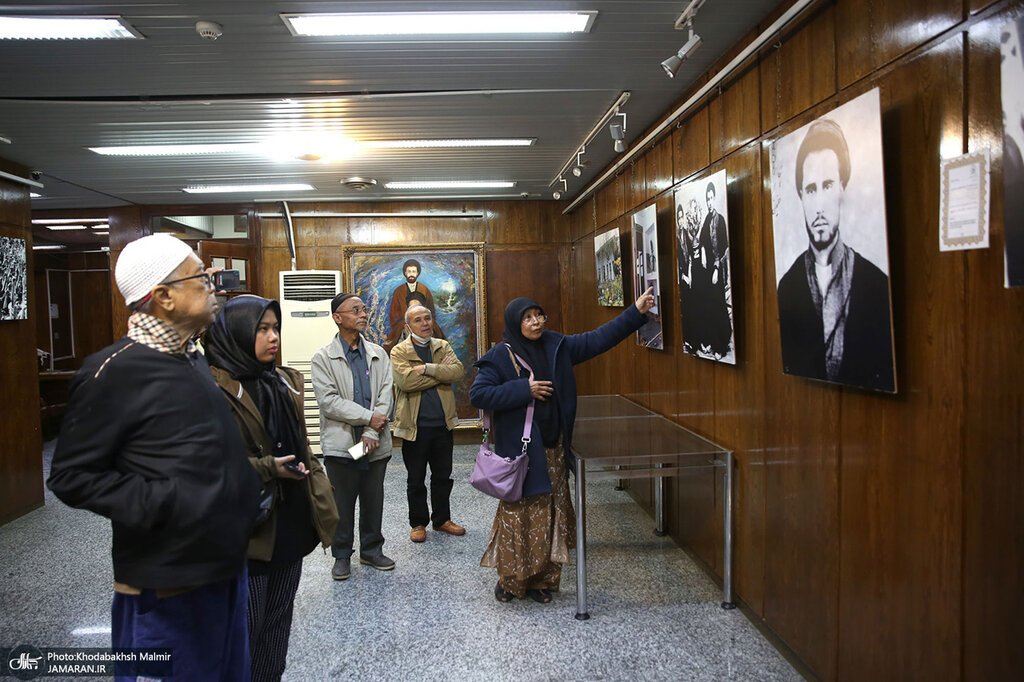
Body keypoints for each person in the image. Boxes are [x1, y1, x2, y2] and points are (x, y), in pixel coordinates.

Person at [47, 233, 261, 681]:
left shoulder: (192, 360)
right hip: (165, 589)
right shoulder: (113, 370)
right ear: (163, 297)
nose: (212, 285)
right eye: (199, 277)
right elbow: (71, 476)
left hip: (222, 572)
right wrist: (168, 501)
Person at [470, 286, 656, 604]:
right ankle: (511, 582)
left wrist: (635, 312)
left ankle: (543, 580)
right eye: (528, 318)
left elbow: (600, 338)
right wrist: (522, 389)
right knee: (520, 515)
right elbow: (479, 395)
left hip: (554, 450)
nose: (536, 322)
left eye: (538, 315)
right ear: (516, 323)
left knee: (551, 514)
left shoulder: (558, 345)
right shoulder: (500, 356)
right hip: (520, 455)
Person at [204, 295, 339, 682]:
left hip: (291, 521)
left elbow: (302, 444)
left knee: (278, 621)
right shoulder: (213, 390)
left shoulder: (283, 381)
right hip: (247, 529)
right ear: (237, 335)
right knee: (245, 627)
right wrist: (268, 468)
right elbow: (208, 467)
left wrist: (320, 491)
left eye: (275, 328)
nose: (273, 337)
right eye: (262, 329)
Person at [777, 118, 896, 392]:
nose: (819, 206)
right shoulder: (787, 287)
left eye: (828, 185)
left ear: (842, 188)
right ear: (801, 196)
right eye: (810, 189)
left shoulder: (877, 286)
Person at [311, 293, 396, 580]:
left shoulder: (378, 353)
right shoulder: (323, 357)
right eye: (355, 310)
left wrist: (373, 429)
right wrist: (367, 417)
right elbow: (329, 402)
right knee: (342, 502)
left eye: (364, 309)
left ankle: (371, 550)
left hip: (375, 442)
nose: (363, 314)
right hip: (342, 444)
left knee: (373, 499)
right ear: (338, 317)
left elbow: (386, 393)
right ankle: (342, 555)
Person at [390, 303, 467, 543]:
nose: (425, 324)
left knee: (443, 476)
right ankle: (418, 523)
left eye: (428, 318)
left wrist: (425, 369)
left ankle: (442, 520)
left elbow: (457, 372)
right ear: (407, 326)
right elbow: (406, 384)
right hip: (415, 427)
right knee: (416, 479)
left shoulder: (442, 346)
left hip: (442, 425)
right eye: (418, 320)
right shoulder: (399, 351)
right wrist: (438, 375)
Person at [691, 181, 732, 357]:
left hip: (718, 270)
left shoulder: (720, 219)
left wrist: (716, 268)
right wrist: (700, 251)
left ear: (714, 198)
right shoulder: (706, 219)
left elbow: (723, 246)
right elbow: (702, 242)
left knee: (719, 307)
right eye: (706, 199)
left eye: (711, 199)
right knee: (711, 308)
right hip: (708, 273)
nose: (709, 203)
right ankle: (713, 343)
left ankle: (721, 347)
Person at [385, 259, 445, 351]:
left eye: (414, 271)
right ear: (405, 273)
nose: (411, 274)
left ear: (418, 273)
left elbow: (431, 310)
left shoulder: (424, 290)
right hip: (403, 325)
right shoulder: (399, 291)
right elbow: (394, 315)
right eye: (409, 271)